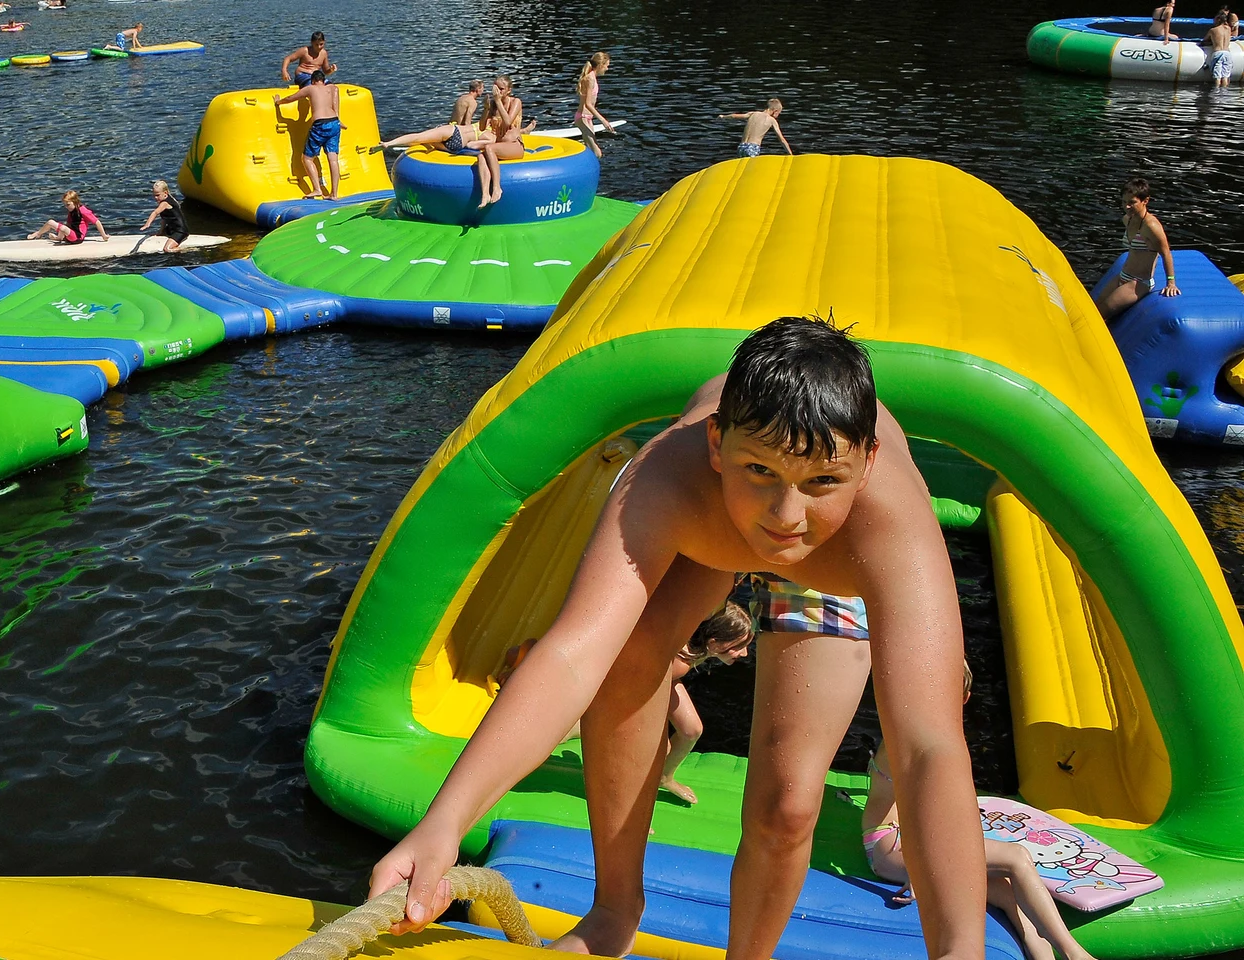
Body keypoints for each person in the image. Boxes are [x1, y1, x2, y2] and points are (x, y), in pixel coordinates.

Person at [368, 316, 987, 960]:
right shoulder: (667, 478)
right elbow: (573, 654)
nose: (786, 516)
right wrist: (444, 824)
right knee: (626, 657)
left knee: (787, 804)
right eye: (760, 471)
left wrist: (958, 948)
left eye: (821, 482)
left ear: (867, 464)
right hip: (711, 523)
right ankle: (614, 909)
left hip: (833, 562)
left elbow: (927, 747)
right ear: (717, 444)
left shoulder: (888, 527)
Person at [862, 665, 1100, 960]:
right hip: (892, 846)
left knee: (1008, 892)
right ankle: (1076, 954)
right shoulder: (910, 737)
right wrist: (917, 866)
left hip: (911, 839)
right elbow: (913, 805)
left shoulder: (933, 735)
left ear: (963, 698)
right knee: (1015, 857)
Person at [659, 601, 755, 805]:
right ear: (714, 642)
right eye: (738, 646)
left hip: (661, 680)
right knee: (655, 749)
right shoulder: (680, 663)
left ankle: (664, 777)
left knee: (691, 730)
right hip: (640, 684)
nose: (745, 654)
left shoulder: (696, 649)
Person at [1095, 178, 1180, 321]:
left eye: (1131, 202)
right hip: (1123, 275)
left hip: (1139, 282)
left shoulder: (1151, 226)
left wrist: (1171, 283)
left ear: (1145, 201)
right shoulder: (1127, 219)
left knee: (1101, 315)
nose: (1126, 207)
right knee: (1094, 308)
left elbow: (1166, 253)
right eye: (1123, 202)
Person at [274, 71, 343, 200]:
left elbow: (291, 98)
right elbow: (335, 100)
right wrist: (339, 121)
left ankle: (317, 189)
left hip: (320, 124)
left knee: (307, 158)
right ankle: (334, 194)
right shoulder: (332, 88)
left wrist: (278, 102)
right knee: (333, 159)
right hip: (334, 123)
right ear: (324, 80)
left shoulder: (310, 88)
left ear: (312, 81)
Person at [476, 75, 529, 207]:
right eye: (496, 88)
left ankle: (497, 188)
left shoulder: (515, 102)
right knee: (481, 157)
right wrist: (486, 108)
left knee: (489, 148)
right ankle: (485, 195)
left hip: (515, 145)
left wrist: (498, 101)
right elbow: (482, 127)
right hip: (500, 146)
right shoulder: (493, 104)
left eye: (501, 89)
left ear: (508, 90)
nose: (498, 91)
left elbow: (507, 121)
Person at [28, 190, 110, 245]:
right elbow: (69, 224)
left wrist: (104, 236)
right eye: (65, 205)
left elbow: (96, 222)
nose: (66, 207)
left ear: (75, 202)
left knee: (63, 228)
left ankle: (58, 238)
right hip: (70, 234)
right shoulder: (71, 210)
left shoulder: (83, 210)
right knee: (50, 222)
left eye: (68, 204)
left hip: (77, 237)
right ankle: (38, 234)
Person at [574, 52, 616, 158]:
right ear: (601, 65)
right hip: (582, 117)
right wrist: (603, 120)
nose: (607, 69)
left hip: (588, 118)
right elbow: (588, 104)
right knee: (597, 153)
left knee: (590, 150)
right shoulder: (590, 79)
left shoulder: (593, 78)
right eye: (607, 66)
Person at [719, 99, 792, 158]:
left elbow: (734, 116)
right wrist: (790, 154)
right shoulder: (771, 120)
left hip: (741, 147)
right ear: (775, 111)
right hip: (753, 148)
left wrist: (723, 117)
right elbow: (781, 139)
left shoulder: (752, 114)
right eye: (779, 113)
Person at [140, 180, 190, 252]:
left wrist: (147, 224)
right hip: (171, 228)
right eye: (154, 195)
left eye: (157, 195)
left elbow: (155, 212)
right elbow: (164, 219)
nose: (155, 198)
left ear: (165, 193)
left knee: (167, 249)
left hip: (180, 231)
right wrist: (161, 231)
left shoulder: (165, 203)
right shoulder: (163, 200)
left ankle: (187, 250)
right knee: (155, 235)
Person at [1205, 10, 1234, 86]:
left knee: (1217, 76)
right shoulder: (1228, 29)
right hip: (1227, 53)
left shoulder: (1213, 30)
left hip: (1218, 52)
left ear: (1218, 19)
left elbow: (1204, 40)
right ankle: (1224, 94)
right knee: (1225, 76)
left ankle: (1216, 93)